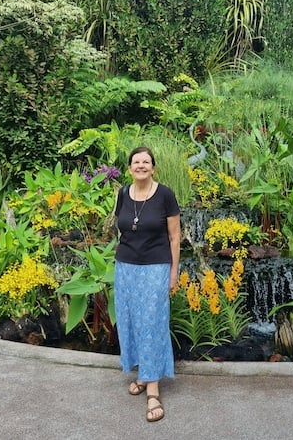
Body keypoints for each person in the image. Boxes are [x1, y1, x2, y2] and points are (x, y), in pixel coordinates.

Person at [114, 146, 181, 422]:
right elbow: (122, 228)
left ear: (153, 168)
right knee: (130, 320)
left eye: (146, 162)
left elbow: (175, 237)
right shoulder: (122, 194)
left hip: (156, 267)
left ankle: (152, 389)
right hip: (126, 267)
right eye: (136, 162)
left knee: (152, 323)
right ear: (130, 168)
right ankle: (142, 373)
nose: (141, 166)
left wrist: (174, 272)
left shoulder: (165, 195)